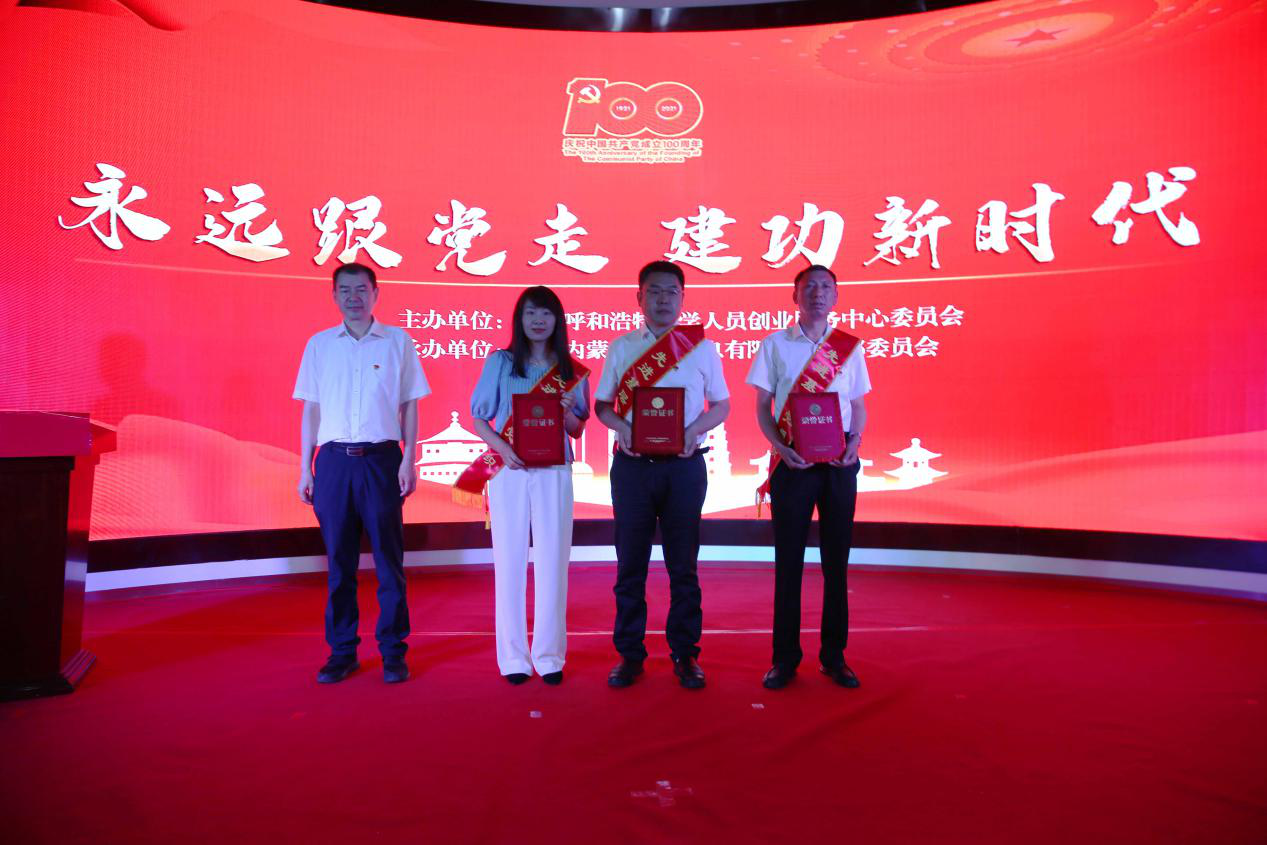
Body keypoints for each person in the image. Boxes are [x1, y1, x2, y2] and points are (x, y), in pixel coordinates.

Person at [595, 260, 729, 689]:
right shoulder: (621, 347)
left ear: (683, 298)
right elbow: (602, 406)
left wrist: (693, 430)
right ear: (639, 298)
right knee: (630, 565)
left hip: (684, 467)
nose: (663, 299)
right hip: (633, 468)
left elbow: (722, 405)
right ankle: (630, 655)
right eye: (654, 291)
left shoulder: (701, 348)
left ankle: (685, 654)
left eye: (672, 292)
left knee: (683, 566)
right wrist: (622, 428)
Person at [293, 262, 429, 684]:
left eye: (361, 289)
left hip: (381, 459)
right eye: (345, 290)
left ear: (376, 293)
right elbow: (311, 409)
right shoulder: (319, 345)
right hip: (333, 462)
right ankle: (342, 652)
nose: (354, 297)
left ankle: (393, 652)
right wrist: (305, 467)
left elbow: (409, 405)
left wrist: (409, 459)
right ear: (334, 295)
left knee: (389, 560)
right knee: (339, 562)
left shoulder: (397, 342)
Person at [746, 264, 870, 690]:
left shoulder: (849, 347)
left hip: (839, 465)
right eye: (809, 286)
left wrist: (855, 442)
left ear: (835, 296)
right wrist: (779, 448)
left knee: (836, 563)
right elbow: (763, 406)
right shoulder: (775, 344)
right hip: (793, 463)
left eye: (825, 287)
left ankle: (834, 657)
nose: (818, 293)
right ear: (795, 295)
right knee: (789, 563)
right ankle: (784, 659)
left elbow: (859, 405)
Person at [463, 286, 589, 686]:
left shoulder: (571, 370)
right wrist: (503, 448)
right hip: (510, 471)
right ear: (520, 319)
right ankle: (513, 657)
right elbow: (480, 418)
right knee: (510, 561)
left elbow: (577, 428)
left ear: (557, 321)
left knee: (554, 561)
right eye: (531, 313)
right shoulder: (500, 362)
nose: (538, 320)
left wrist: (567, 414)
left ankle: (549, 656)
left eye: (546, 314)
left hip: (555, 471)